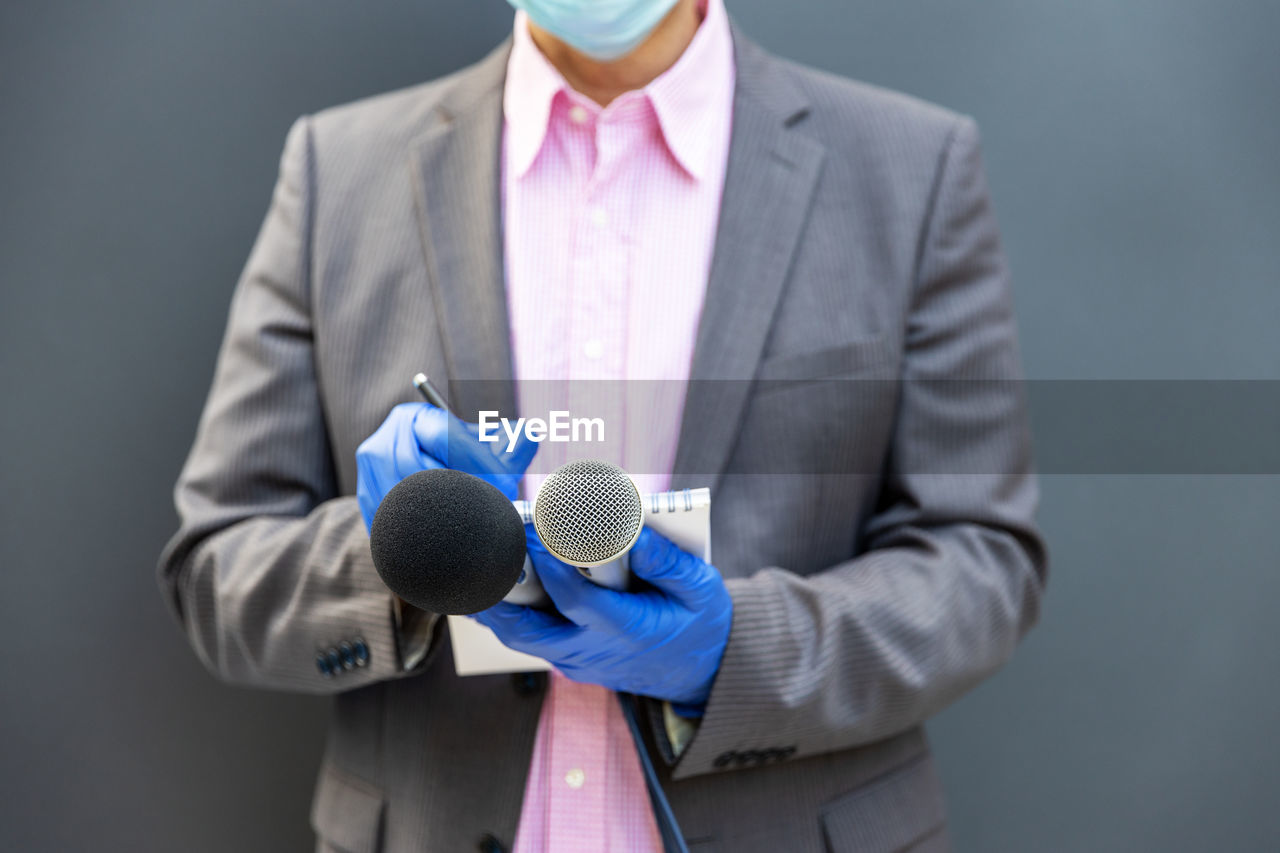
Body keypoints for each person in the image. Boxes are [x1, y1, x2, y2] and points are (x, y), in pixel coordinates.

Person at [158, 0, 1048, 850]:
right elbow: (217, 567)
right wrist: (402, 553)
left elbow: (982, 559)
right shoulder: (340, 170)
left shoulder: (910, 168)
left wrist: (732, 654)